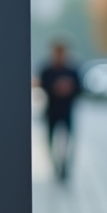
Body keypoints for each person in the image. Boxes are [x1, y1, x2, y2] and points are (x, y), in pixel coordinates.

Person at [37, 41, 82, 181]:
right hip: (51, 111)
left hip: (67, 111)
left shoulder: (72, 70)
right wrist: (55, 88)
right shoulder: (47, 70)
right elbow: (42, 86)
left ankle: (65, 166)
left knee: (68, 140)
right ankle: (55, 166)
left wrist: (69, 89)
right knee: (50, 140)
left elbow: (80, 89)